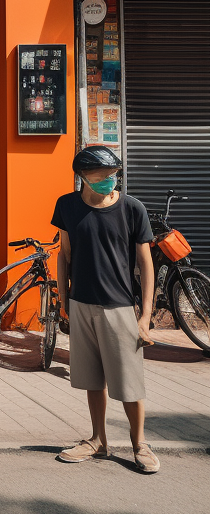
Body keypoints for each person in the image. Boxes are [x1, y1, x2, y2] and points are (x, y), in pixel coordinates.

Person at [52, 145, 158, 473]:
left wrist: (144, 317)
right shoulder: (67, 206)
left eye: (113, 175)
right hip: (82, 303)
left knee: (129, 382)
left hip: (120, 307)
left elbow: (145, 263)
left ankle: (140, 443)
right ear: (83, 176)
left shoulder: (132, 209)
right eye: (102, 176)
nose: (109, 181)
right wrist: (63, 298)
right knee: (91, 379)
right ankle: (98, 440)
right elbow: (64, 253)